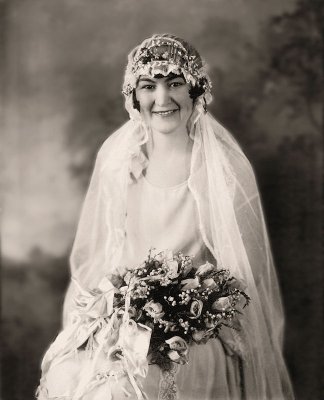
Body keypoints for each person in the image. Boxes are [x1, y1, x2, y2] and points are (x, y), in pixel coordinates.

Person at [37, 34, 294, 400]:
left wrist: (190, 308)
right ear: (134, 96)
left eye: (174, 84)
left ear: (195, 91)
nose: (162, 99)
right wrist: (113, 311)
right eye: (149, 86)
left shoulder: (222, 170)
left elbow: (243, 275)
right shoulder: (121, 165)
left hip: (198, 327)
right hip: (129, 318)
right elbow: (100, 260)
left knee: (122, 388)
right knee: (66, 372)